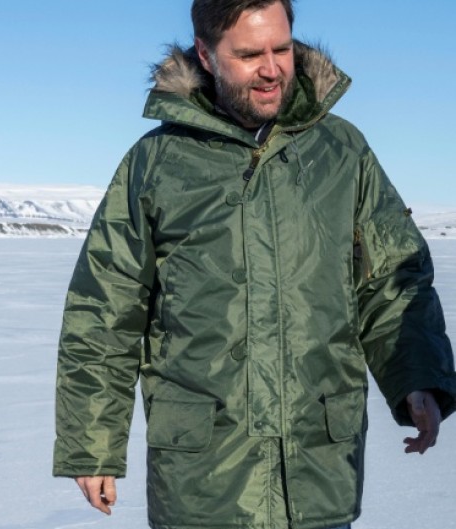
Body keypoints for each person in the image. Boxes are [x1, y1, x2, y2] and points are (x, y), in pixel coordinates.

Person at [53, 1, 456, 528]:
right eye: (249, 54)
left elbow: (392, 281)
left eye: (282, 48)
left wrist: (416, 377)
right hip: (203, 481)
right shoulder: (157, 163)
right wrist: (92, 443)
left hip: (318, 471)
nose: (272, 68)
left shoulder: (342, 152)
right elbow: (105, 311)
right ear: (206, 53)